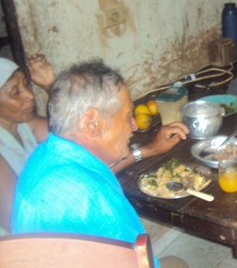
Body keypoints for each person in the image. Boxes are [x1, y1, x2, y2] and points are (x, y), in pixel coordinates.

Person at [11, 60, 189, 267]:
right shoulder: (88, 195)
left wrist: (148, 150)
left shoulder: (46, 154)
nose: (134, 126)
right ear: (92, 122)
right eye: (127, 117)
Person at [0, 55, 53, 235]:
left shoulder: (22, 125)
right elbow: (18, 223)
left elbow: (71, 133)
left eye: (26, 84)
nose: (30, 95)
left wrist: (50, 87)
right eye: (16, 92)